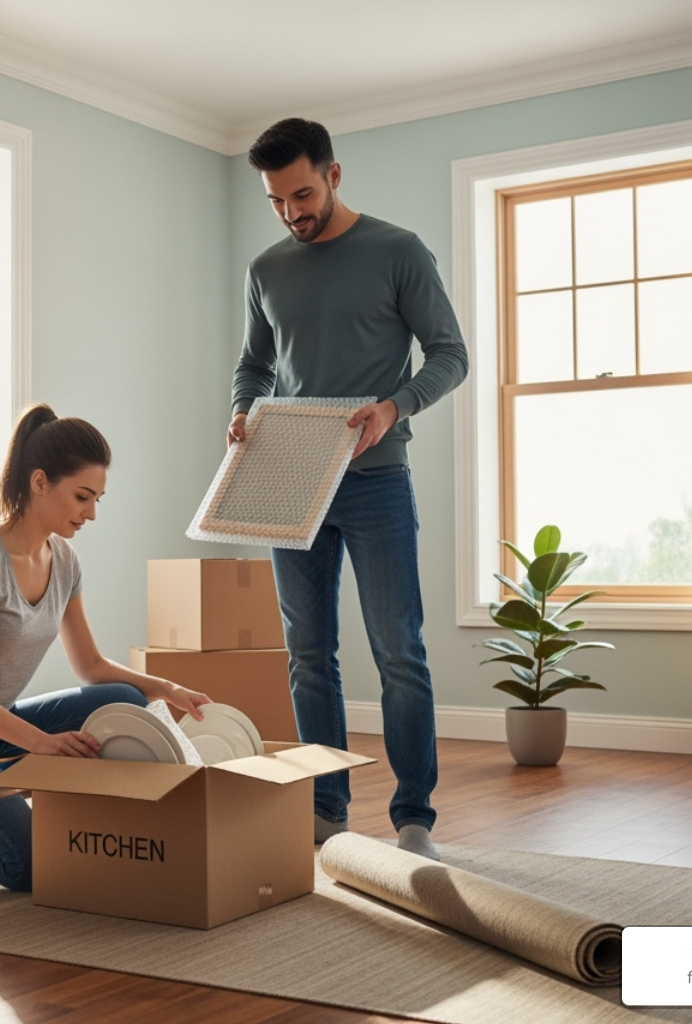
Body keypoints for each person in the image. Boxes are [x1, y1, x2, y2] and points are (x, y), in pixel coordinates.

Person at [228, 118, 468, 861]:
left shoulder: (397, 251)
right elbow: (253, 366)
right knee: (308, 654)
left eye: (301, 193)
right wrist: (241, 411)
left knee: (400, 650)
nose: (292, 212)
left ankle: (413, 818)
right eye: (276, 201)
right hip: (289, 481)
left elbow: (451, 354)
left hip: (375, 480)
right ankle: (325, 809)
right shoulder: (267, 269)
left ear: (334, 174)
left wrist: (394, 406)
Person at [0, 403, 211, 890]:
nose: (91, 512)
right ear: (38, 482)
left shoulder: (66, 562)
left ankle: (95, 810)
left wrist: (166, 687)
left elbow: (91, 666)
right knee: (34, 867)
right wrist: (40, 743)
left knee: (127, 701)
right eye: (81, 496)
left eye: (98, 499)